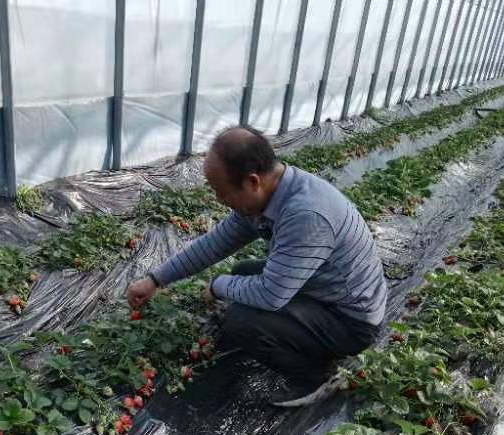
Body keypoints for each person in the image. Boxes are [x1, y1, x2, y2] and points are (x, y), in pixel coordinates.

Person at [126, 126, 386, 406]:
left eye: (222, 193)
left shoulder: (305, 215)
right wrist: (156, 279)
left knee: (241, 322)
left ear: (252, 182)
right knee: (242, 272)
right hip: (325, 292)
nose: (219, 200)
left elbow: (271, 296)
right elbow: (216, 243)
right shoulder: (270, 194)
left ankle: (315, 376)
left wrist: (217, 286)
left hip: (351, 321)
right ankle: (290, 338)